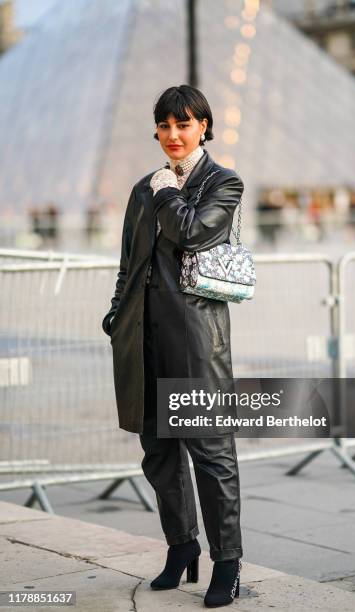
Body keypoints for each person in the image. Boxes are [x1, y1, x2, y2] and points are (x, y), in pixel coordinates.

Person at [102, 84, 244, 608]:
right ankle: (182, 547)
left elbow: (190, 234)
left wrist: (166, 191)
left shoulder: (222, 183)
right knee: (158, 453)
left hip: (196, 343)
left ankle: (227, 561)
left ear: (203, 126)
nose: (172, 135)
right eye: (164, 126)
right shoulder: (144, 187)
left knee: (210, 456)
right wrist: (117, 314)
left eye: (183, 125)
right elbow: (128, 262)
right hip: (143, 339)